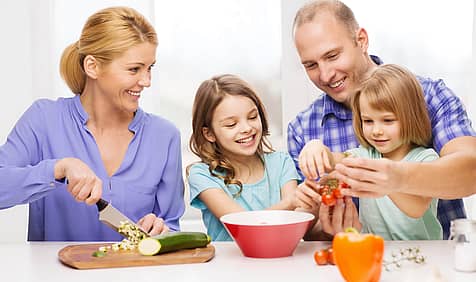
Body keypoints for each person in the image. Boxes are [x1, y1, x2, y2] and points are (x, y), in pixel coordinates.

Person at [288, 0, 476, 239]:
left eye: (333, 55)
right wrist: (325, 229)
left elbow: (472, 171)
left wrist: (398, 177)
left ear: (362, 40)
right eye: (311, 65)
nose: (325, 75)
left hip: (436, 263)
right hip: (359, 258)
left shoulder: (429, 96)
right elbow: (307, 224)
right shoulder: (302, 128)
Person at [0, 7, 185, 241]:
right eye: (134, 69)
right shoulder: (43, 119)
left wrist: (162, 229)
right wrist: (58, 168)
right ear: (93, 66)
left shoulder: (164, 136)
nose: (146, 81)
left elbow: (171, 225)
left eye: (150, 68)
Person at [297, 64, 442, 240]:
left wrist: (384, 179)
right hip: (373, 252)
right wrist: (315, 147)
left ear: (412, 117)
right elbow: (334, 161)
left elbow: (416, 208)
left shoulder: (426, 159)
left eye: (387, 120)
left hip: (419, 255)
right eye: (368, 121)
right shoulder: (364, 156)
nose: (376, 131)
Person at [187, 74, 299, 241]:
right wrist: (291, 203)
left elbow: (296, 222)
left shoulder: (281, 163)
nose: (247, 128)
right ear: (209, 133)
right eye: (231, 124)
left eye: (253, 117)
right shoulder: (202, 175)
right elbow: (244, 226)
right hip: (228, 266)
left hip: (279, 260)